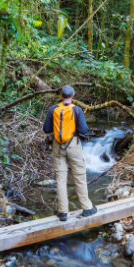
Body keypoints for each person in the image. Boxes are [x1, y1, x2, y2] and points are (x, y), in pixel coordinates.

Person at [42, 85, 97, 221]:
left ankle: (63, 212)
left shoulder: (53, 109)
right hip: (73, 145)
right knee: (79, 175)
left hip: (57, 146)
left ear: (61, 95)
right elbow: (84, 130)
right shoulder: (77, 110)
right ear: (73, 96)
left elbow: (46, 129)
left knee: (61, 179)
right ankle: (87, 207)